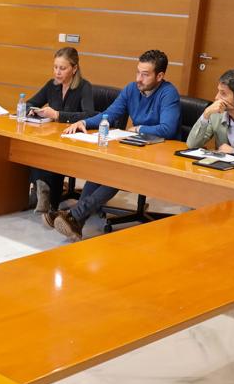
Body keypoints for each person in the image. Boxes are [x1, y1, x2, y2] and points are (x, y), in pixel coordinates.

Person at [53, 49, 180, 240]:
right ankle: (76, 217)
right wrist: (85, 123)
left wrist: (138, 129)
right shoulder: (131, 89)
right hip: (135, 148)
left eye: (145, 75)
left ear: (160, 76)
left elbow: (168, 128)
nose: (139, 78)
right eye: (138, 72)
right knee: (104, 167)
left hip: (160, 154)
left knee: (118, 174)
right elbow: (110, 114)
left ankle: (76, 215)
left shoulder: (168, 93)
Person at [25, 46, 96, 213]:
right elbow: (31, 101)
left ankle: (47, 197)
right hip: (53, 136)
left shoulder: (84, 87)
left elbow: (89, 114)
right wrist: (31, 109)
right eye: (55, 67)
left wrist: (58, 114)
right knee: (32, 147)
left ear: (74, 68)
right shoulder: (52, 85)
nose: (57, 72)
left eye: (62, 68)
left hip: (74, 139)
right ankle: (43, 193)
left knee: (54, 155)